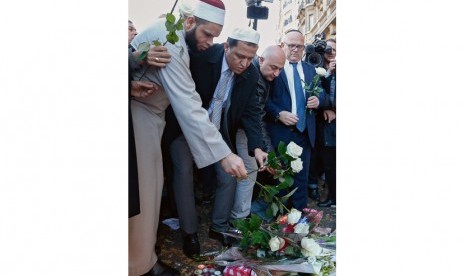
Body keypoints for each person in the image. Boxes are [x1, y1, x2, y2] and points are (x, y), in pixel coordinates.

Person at [129, 0, 248, 275]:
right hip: (140, 117)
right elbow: (188, 102)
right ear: (190, 22)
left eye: (215, 37)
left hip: (152, 120)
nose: (209, 43)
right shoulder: (169, 39)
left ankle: (143, 257)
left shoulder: (182, 42)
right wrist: (224, 154)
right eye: (207, 34)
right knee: (143, 198)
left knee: (152, 192)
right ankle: (137, 266)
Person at [163, 27, 265, 257]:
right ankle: (189, 233)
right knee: (184, 173)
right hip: (186, 126)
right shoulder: (200, 57)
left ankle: (218, 227)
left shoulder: (251, 74)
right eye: (240, 56)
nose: (245, 63)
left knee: (229, 176)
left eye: (250, 58)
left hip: (218, 131)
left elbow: (251, 112)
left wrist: (257, 146)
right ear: (227, 46)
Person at [264, 29, 325, 211]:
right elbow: (262, 99)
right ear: (283, 45)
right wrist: (278, 113)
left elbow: (323, 94)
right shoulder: (275, 67)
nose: (295, 50)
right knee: (280, 177)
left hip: (304, 132)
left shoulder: (310, 69)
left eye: (300, 46)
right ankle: (280, 218)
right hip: (279, 132)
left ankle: (299, 218)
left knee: (301, 177)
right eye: (291, 45)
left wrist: (319, 100)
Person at [230, 45, 286, 221]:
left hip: (249, 130)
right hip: (243, 130)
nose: (277, 74)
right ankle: (239, 219)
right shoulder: (253, 77)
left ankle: (242, 216)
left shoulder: (263, 75)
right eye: (273, 67)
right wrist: (264, 149)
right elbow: (255, 119)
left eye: (280, 69)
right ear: (261, 60)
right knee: (247, 174)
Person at [315, 38, 336, 207]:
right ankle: (330, 194)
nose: (331, 52)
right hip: (326, 124)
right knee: (328, 162)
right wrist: (328, 73)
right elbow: (317, 92)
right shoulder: (318, 66)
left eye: (335, 49)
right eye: (328, 49)